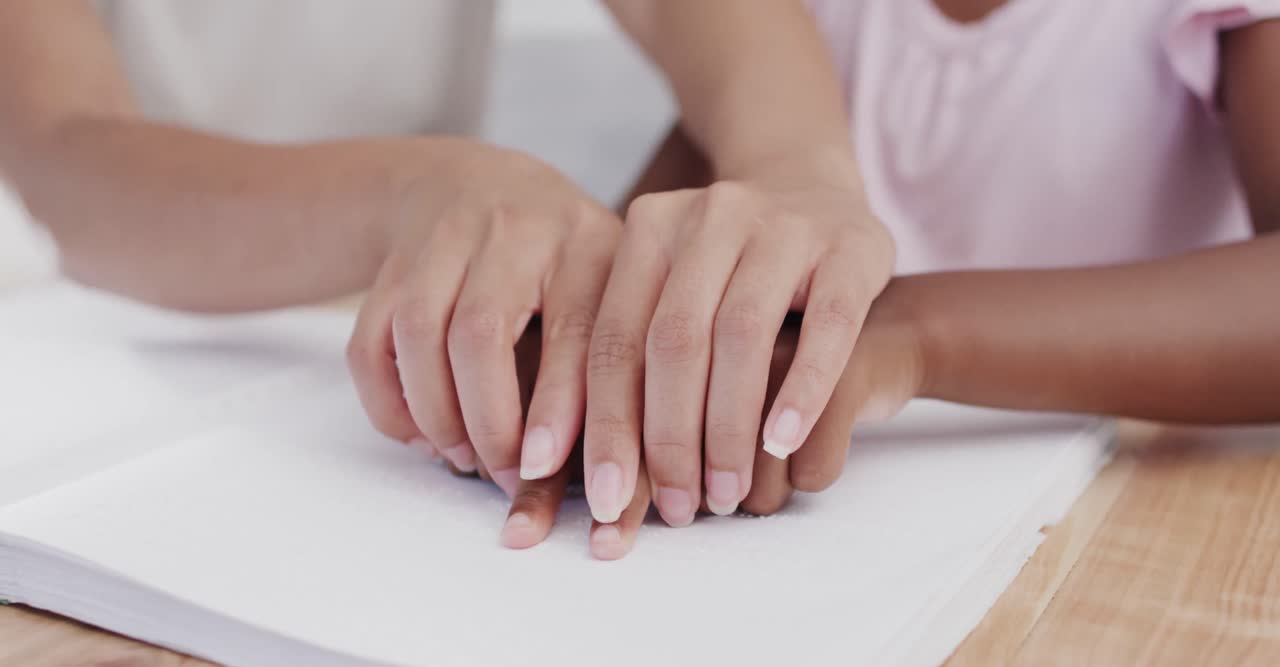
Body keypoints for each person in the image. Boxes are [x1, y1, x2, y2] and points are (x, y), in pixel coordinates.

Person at [0, 1, 889, 559]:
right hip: (67, 338)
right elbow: (60, 163)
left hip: (391, 317)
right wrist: (413, 192)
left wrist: (800, 170)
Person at [505, 0, 1280, 558]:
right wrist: (591, 347)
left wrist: (901, 335)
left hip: (1135, 526)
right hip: (820, 550)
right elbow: (660, 257)